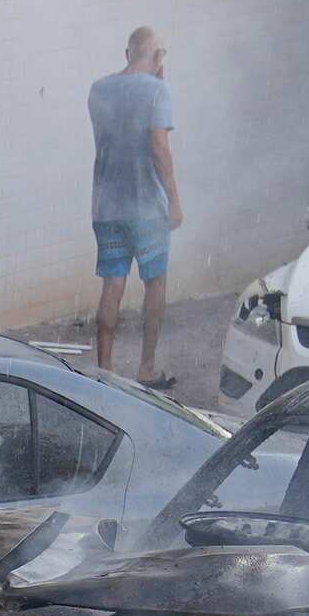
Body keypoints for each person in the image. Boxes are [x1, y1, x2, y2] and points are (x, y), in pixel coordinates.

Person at [88, 25, 182, 382]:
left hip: (107, 206)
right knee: (155, 283)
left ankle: (104, 370)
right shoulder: (159, 92)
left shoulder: (98, 90)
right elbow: (159, 147)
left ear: (127, 53)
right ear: (157, 58)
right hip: (146, 208)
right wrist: (174, 200)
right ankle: (146, 368)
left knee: (112, 284)